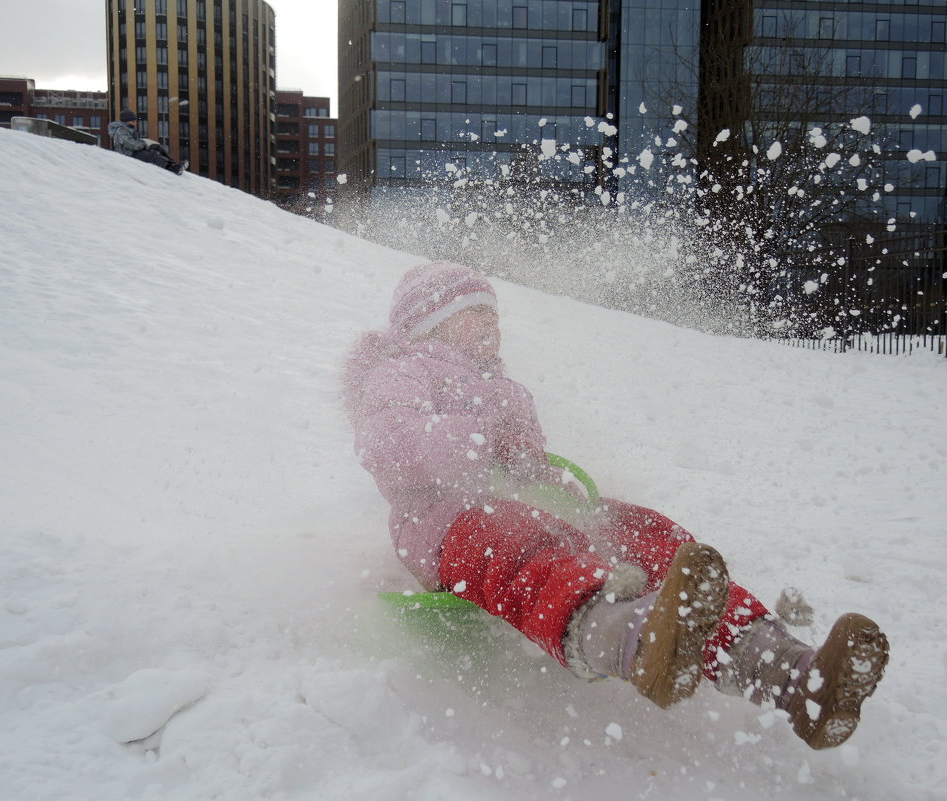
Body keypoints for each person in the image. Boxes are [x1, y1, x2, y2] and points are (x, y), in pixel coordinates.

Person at [343, 261, 889, 750]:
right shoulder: (404, 369)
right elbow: (389, 444)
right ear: (429, 324)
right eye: (472, 313)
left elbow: (528, 463)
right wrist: (480, 440)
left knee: (636, 528)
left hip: (533, 513)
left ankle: (790, 673)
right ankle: (631, 637)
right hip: (450, 526)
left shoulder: (506, 387)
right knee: (516, 539)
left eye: (493, 313)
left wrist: (550, 480)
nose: (490, 324)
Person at [107, 108, 187, 175]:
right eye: (132, 121)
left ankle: (173, 163)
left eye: (135, 121)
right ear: (126, 121)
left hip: (135, 151)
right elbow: (133, 145)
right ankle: (172, 169)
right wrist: (143, 145)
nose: (135, 123)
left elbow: (139, 142)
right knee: (152, 155)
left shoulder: (131, 130)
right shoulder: (121, 131)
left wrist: (145, 145)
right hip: (128, 154)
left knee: (156, 147)